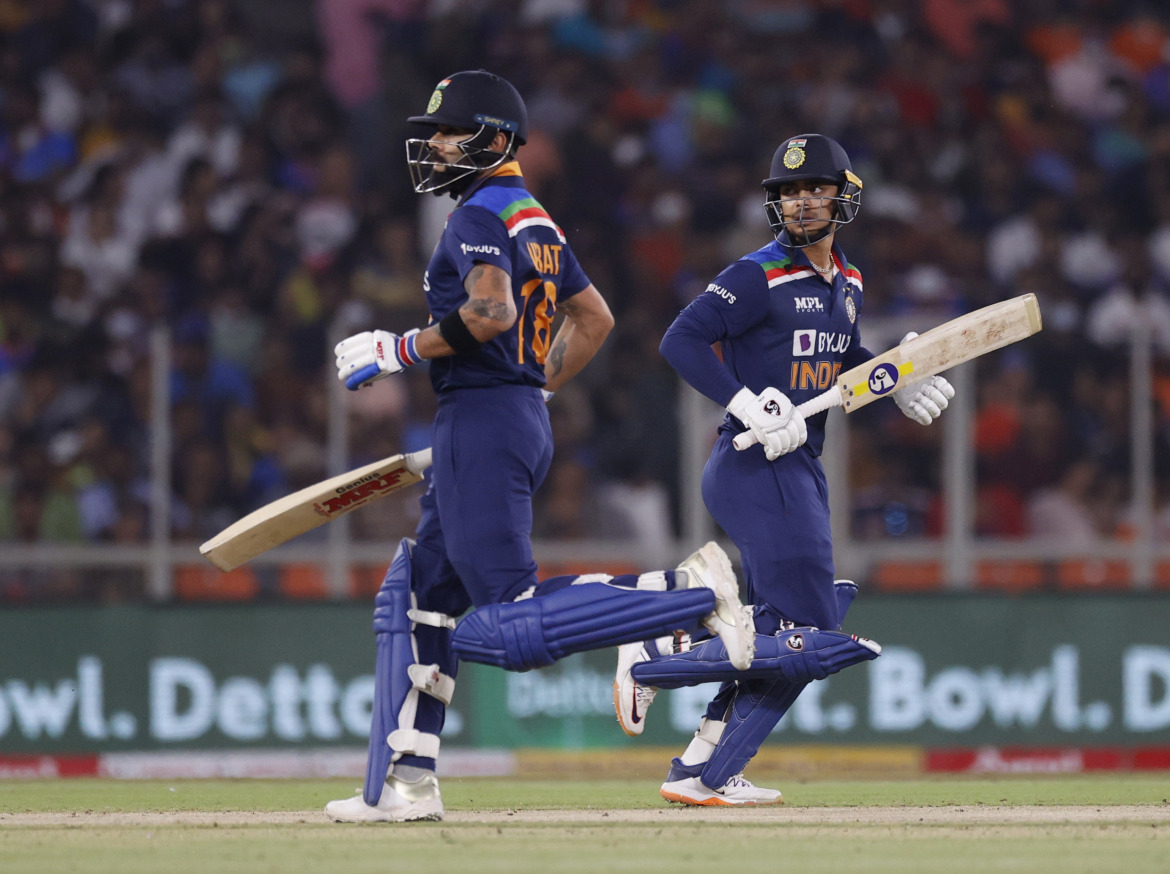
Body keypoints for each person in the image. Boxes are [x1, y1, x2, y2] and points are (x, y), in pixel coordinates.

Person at [323, 70, 756, 823]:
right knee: (421, 595)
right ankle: (408, 783)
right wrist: (533, 387)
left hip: (482, 421)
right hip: (511, 415)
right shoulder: (536, 220)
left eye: (446, 134)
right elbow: (594, 320)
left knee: (505, 622)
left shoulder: (478, 215)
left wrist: (397, 351)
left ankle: (683, 593)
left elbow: (487, 311)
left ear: (492, 139)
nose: (431, 147)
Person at [613, 133, 955, 806]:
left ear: (842, 198)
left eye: (814, 189)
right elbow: (679, 339)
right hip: (751, 462)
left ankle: (703, 764)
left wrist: (895, 377)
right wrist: (747, 402)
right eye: (788, 193)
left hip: (800, 466)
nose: (800, 203)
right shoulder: (755, 274)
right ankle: (655, 661)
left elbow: (843, 359)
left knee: (779, 633)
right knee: (814, 635)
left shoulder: (849, 283)